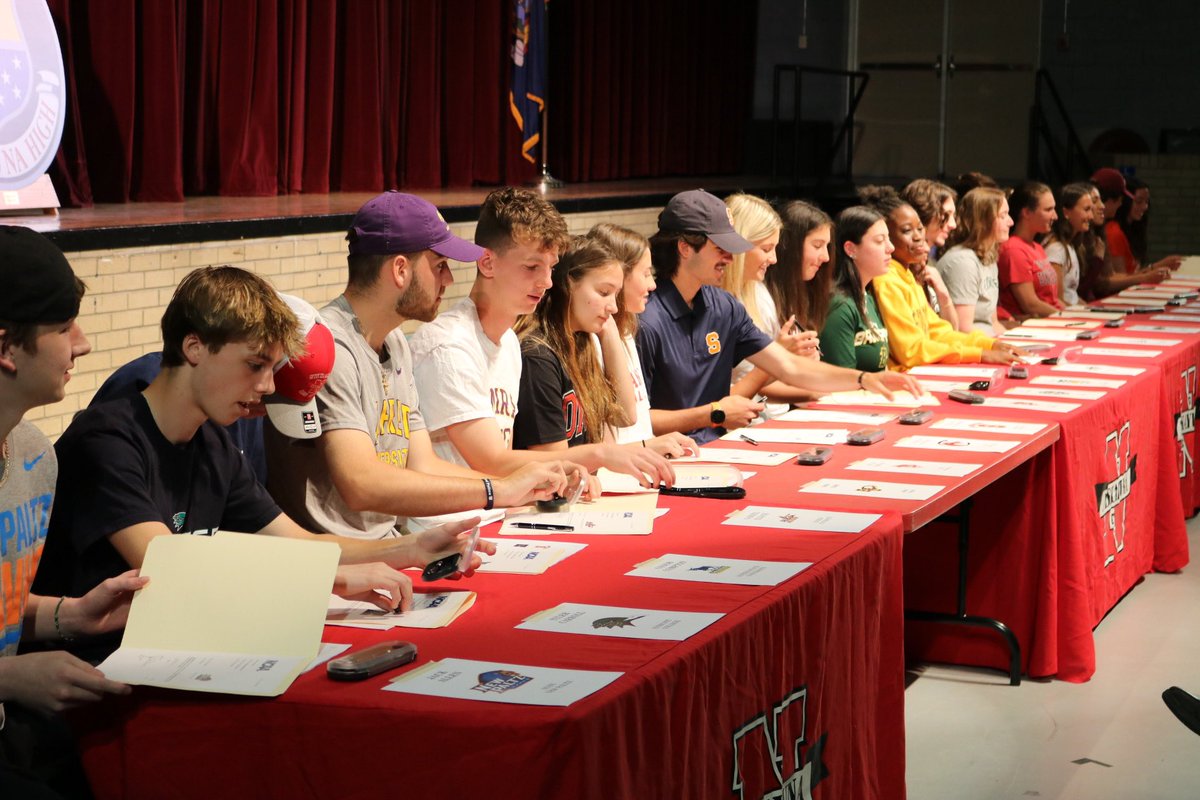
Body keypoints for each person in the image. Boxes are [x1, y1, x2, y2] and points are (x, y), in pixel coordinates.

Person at [34, 266, 493, 639]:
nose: (267, 387)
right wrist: (325, 581)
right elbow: (169, 567)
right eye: (254, 365)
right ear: (194, 346)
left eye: (272, 368)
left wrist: (412, 547)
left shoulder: (212, 441)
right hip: (93, 667)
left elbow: (299, 545)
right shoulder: (108, 440)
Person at [263, 192, 571, 540]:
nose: (450, 279)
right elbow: (360, 484)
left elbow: (423, 464)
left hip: (390, 546)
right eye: (440, 265)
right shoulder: (331, 347)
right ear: (400, 269)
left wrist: (521, 485)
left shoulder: (395, 343)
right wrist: (495, 491)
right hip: (340, 566)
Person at [410, 188, 676, 507]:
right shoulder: (450, 345)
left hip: (495, 514)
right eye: (532, 267)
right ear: (487, 263)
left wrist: (565, 472)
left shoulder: (507, 341)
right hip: (451, 522)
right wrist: (596, 455)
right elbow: (491, 460)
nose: (548, 282)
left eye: (551, 267)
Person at [0, 227, 148, 799]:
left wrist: (72, 616)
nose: (82, 344)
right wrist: (10, 677)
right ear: (6, 348)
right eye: (63, 328)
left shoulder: (36, 456)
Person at [635, 189, 920, 444]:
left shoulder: (723, 306)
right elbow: (637, 423)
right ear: (685, 248)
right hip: (671, 460)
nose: (731, 259)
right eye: (720, 249)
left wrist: (862, 379)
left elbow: (789, 366)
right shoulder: (646, 321)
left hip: (722, 448)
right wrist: (714, 413)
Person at [863, 185, 1017, 370]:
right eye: (906, 231)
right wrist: (978, 354)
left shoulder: (907, 274)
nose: (918, 237)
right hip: (909, 375)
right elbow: (910, 351)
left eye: (920, 229)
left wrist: (988, 345)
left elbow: (937, 331)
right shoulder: (887, 280)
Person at [583, 224, 694, 453]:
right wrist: (648, 446)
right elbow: (620, 425)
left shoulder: (627, 328)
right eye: (645, 274)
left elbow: (639, 424)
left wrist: (655, 443)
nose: (652, 285)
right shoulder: (593, 340)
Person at [721, 194, 817, 421]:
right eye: (766, 249)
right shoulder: (717, 304)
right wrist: (782, 357)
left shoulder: (758, 293)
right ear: (738, 246)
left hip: (764, 418)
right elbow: (742, 386)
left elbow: (764, 378)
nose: (774, 259)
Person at [819, 207, 893, 371]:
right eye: (880, 241)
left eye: (889, 239)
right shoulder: (839, 306)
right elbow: (841, 381)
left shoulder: (867, 297)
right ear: (851, 249)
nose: (891, 247)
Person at [936, 187, 1013, 335]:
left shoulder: (988, 257)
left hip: (988, 343)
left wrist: (1013, 343)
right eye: (1003, 216)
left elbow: (993, 323)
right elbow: (964, 330)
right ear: (984, 220)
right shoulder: (963, 262)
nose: (1010, 222)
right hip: (974, 349)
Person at [1092, 167, 1177, 278]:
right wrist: (1154, 269)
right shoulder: (1112, 231)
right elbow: (1117, 279)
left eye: (1147, 202)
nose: (1145, 207)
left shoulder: (1129, 229)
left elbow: (1126, 275)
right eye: (1139, 201)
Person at [997, 181, 1062, 319]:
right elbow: (1030, 304)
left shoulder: (1037, 247)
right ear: (1026, 212)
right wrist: (1067, 316)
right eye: (1048, 210)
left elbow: (1053, 300)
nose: (1055, 216)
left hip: (1052, 319)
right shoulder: (1014, 250)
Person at [901, 178, 959, 324]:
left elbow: (952, 329)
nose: (953, 224)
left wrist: (943, 294)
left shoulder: (930, 264)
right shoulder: (899, 270)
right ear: (925, 214)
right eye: (946, 215)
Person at [1042, 183, 1094, 307]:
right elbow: (1057, 300)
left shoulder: (1070, 244)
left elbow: (1072, 295)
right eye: (1086, 210)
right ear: (1066, 212)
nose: (1091, 216)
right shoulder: (1056, 249)